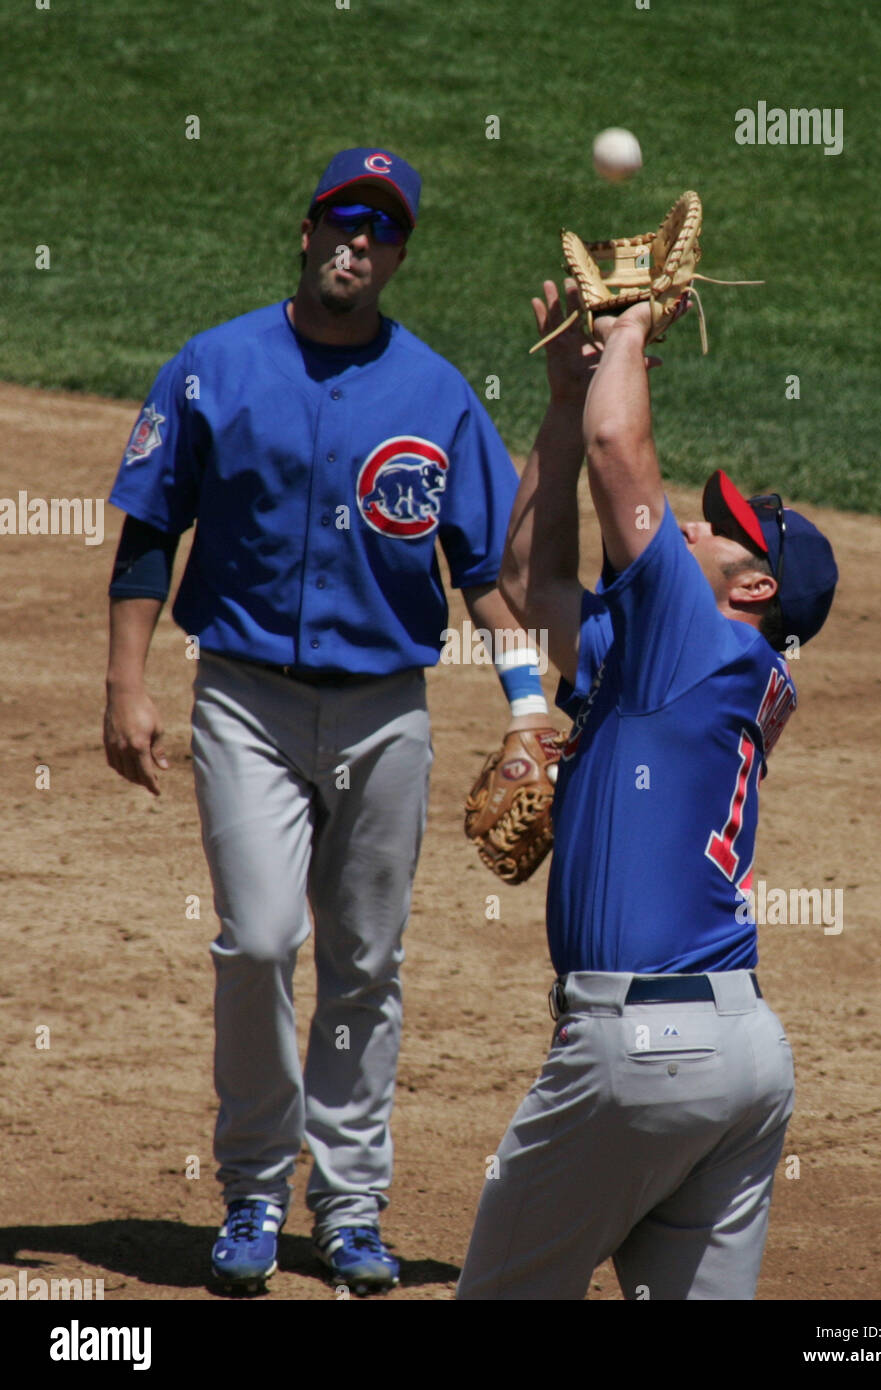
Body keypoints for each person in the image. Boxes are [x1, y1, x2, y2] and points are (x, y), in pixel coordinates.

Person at [103, 147, 551, 1296]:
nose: (361, 240)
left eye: (384, 228)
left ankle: (350, 1206)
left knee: (363, 961)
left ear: (399, 253)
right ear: (305, 231)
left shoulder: (436, 392)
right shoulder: (216, 366)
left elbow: (484, 577)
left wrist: (528, 706)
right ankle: (254, 1187)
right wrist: (128, 683)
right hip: (244, 701)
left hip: (384, 716)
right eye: (344, 219)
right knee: (259, 939)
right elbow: (152, 529)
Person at [457, 282, 838, 1300]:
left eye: (722, 532)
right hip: (743, 1061)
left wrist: (625, 329)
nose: (698, 533)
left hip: (640, 1051)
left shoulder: (701, 639)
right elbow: (528, 582)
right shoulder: (680, 663)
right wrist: (558, 395)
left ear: (754, 588)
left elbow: (621, 447)